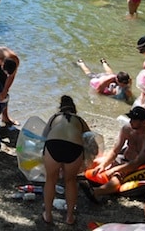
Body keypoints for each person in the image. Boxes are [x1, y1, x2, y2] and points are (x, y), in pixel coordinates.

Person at [83, 105, 145, 200]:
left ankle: (96, 192)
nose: (130, 121)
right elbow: (115, 150)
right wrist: (104, 165)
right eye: (131, 119)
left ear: (143, 122)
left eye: (134, 120)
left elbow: (137, 162)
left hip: (138, 165)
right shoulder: (127, 129)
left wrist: (115, 169)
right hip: (124, 157)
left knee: (116, 176)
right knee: (96, 162)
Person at [41, 95, 90, 225]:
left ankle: (48, 214)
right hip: (74, 147)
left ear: (60, 108)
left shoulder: (54, 117)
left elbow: (44, 136)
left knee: (50, 180)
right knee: (70, 181)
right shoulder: (80, 120)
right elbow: (89, 138)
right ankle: (69, 217)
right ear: (74, 109)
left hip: (54, 145)